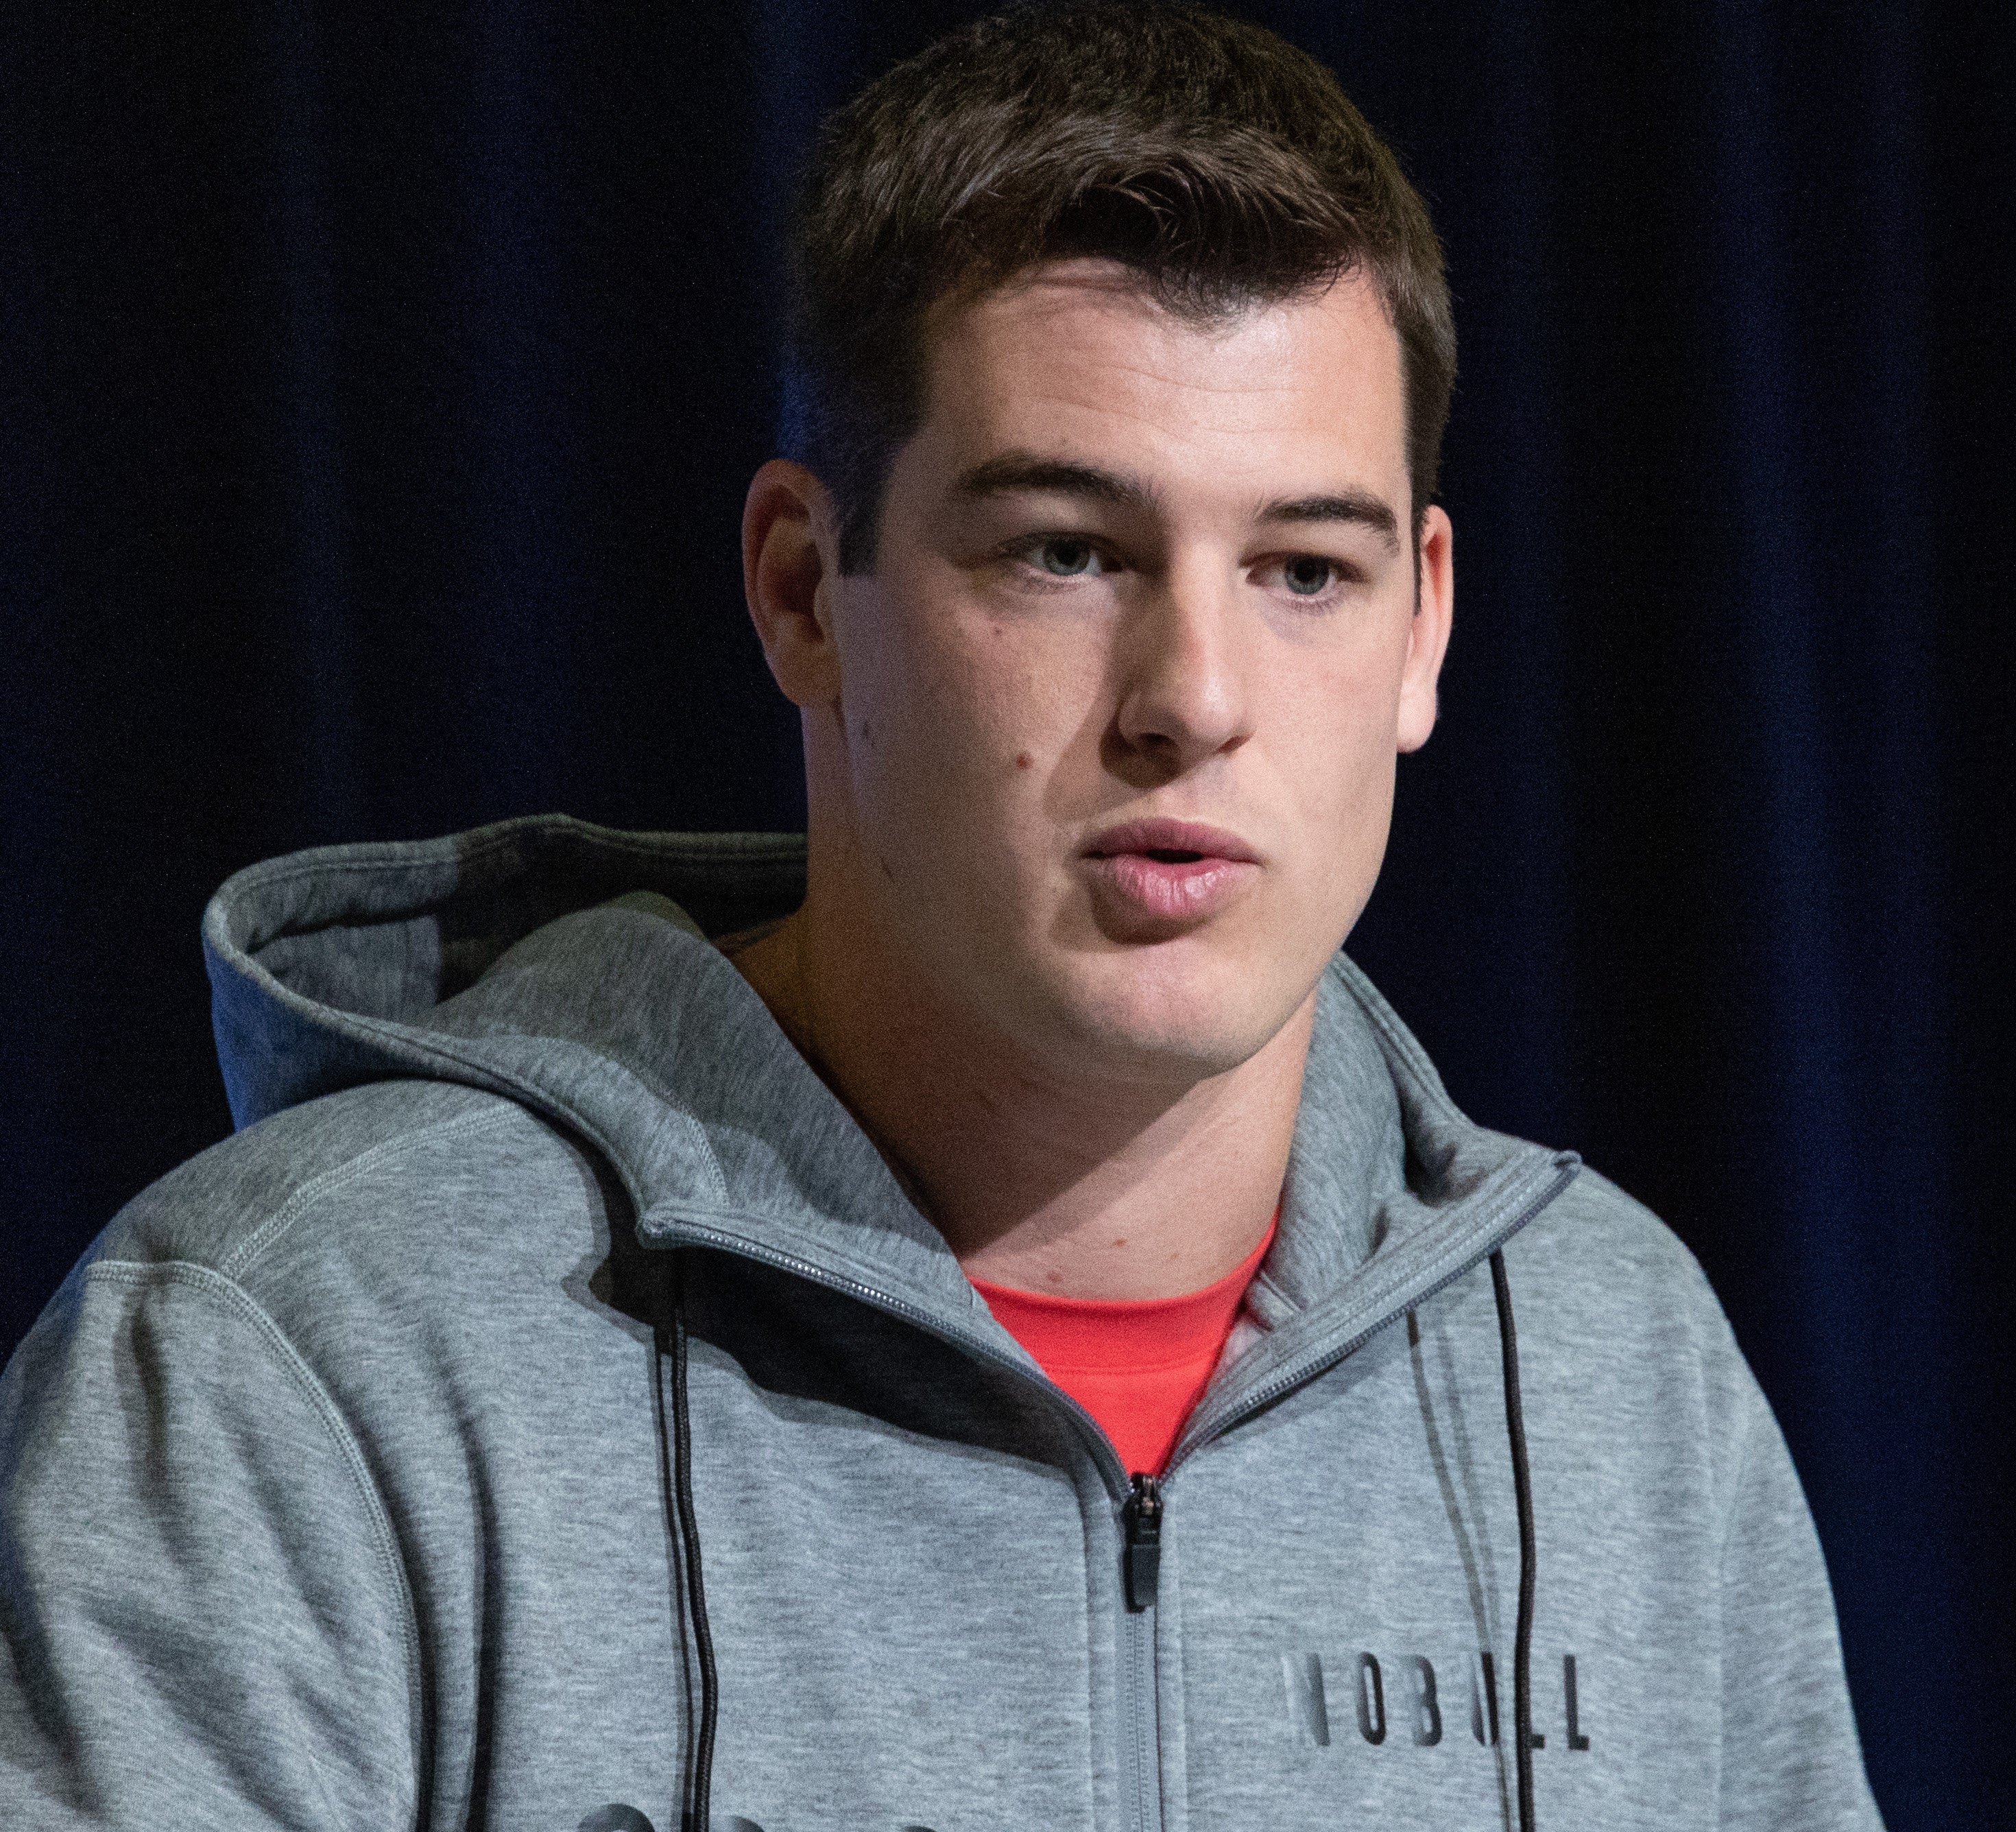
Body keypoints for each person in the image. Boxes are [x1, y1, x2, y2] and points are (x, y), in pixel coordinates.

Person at [0, 5, 1882, 1828]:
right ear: (806, 586)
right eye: (1065, 551)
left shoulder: (1601, 1364)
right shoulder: (306, 1352)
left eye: (1305, 569)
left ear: (1425, 624)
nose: (1192, 695)